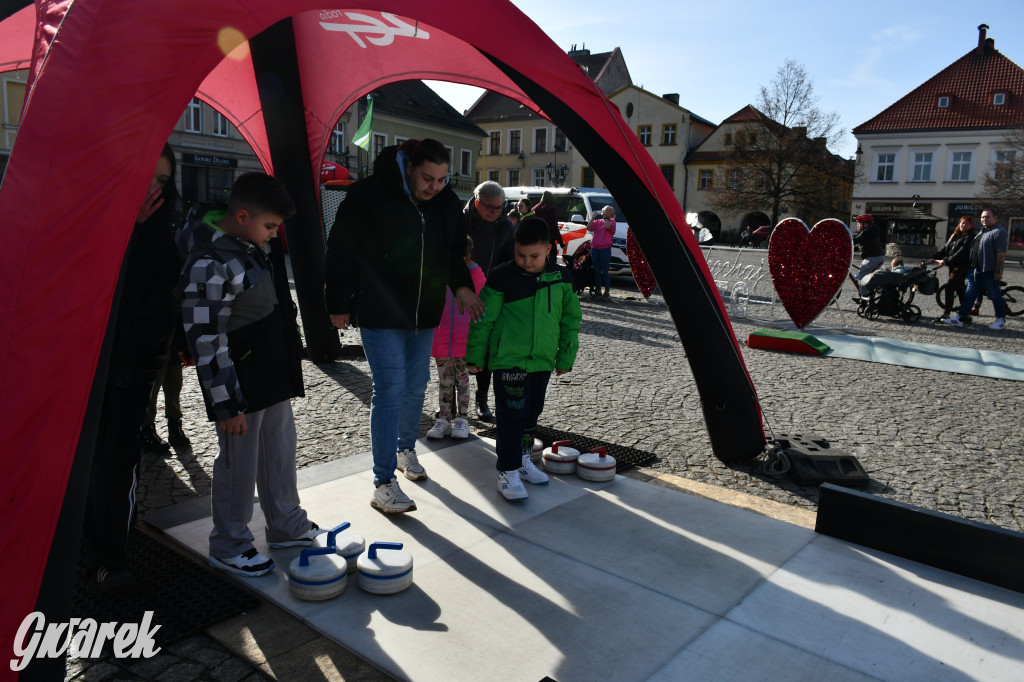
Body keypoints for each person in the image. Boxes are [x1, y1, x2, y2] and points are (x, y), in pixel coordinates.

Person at [325, 139, 484, 514]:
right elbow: (340, 247)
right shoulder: (369, 193)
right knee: (390, 389)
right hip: (380, 310)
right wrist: (336, 303)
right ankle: (383, 482)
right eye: (428, 178)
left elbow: (452, 249)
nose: (435, 186)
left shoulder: (444, 201)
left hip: (423, 311)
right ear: (409, 166)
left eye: (443, 179)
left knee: (416, 387)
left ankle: (404, 450)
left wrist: (460, 285)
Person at [179, 172, 323, 576]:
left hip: (270, 376)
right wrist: (227, 404)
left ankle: (285, 523)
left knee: (279, 452)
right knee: (237, 466)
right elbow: (205, 339)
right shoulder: (209, 263)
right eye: (271, 227)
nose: (275, 236)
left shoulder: (251, 245)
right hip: (238, 388)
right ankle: (229, 543)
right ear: (242, 215)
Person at [83, 143, 185, 589]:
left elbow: (158, 303)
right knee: (84, 462)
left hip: (132, 367)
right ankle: (80, 544)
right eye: (146, 179)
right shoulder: (94, 221)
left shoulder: (165, 230)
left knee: (117, 462)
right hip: (86, 364)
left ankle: (113, 556)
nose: (153, 192)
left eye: (162, 182)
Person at [465, 217, 582, 501]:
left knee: (531, 415)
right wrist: (475, 356)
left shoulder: (562, 278)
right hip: (509, 361)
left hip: (541, 361)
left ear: (549, 250)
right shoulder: (501, 276)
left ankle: (523, 460)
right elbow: (483, 320)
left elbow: (570, 320)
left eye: (534, 256)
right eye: (520, 254)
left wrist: (565, 356)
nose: (527, 261)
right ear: (514, 248)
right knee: (511, 416)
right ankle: (507, 471)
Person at [464, 180, 516, 422]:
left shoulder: (505, 227)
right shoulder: (460, 222)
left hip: (490, 296)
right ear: (477, 203)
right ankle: (451, 401)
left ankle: (481, 399)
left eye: (500, 207)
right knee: (454, 350)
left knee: (485, 351)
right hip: (460, 293)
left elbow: (510, 261)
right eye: (491, 208)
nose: (497, 212)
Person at [427, 236, 487, 440]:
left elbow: (483, 308)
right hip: (443, 337)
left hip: (464, 340)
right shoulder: (440, 272)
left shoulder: (477, 275)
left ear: (468, 255)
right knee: (445, 382)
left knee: (462, 381)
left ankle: (462, 418)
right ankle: (444, 419)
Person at [942, 208, 1009, 330]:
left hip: (989, 270)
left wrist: (999, 271)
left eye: (988, 217)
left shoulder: (999, 232)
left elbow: (1001, 252)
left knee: (995, 295)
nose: (984, 219)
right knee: (970, 295)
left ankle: (1001, 319)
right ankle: (960, 318)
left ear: (995, 218)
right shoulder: (982, 231)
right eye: (983, 217)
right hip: (976, 270)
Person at [140, 335, 191, 452]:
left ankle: (174, 427)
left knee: (174, 388)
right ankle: (147, 430)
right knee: (152, 393)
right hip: (156, 349)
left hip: (174, 348)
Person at [926, 216, 976, 320]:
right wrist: (934, 258)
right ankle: (965, 314)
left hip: (962, 266)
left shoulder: (970, 236)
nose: (964, 225)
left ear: (971, 226)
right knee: (960, 289)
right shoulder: (955, 235)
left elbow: (962, 252)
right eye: (962, 223)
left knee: (950, 287)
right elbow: (945, 248)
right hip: (952, 265)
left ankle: (946, 314)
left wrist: (946, 260)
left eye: (967, 224)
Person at [851, 213, 886, 297]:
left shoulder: (867, 232)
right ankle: (874, 293)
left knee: (861, 278)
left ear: (865, 224)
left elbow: (856, 240)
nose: (858, 225)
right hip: (879, 257)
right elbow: (858, 241)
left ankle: (864, 298)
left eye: (859, 223)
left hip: (872, 258)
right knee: (870, 278)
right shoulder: (870, 231)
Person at [587, 205, 616, 300]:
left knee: (605, 271)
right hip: (595, 248)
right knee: (597, 270)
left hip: (605, 249)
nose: (603, 212)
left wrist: (604, 218)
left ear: (609, 213)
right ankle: (598, 291)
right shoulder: (597, 222)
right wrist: (592, 218)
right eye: (603, 211)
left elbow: (608, 226)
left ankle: (607, 291)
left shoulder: (612, 222)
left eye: (605, 211)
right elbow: (589, 227)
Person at [532, 190, 565, 265]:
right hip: (548, 240)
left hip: (536, 240)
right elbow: (553, 227)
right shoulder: (551, 209)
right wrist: (561, 242)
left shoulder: (534, 208)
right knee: (551, 263)